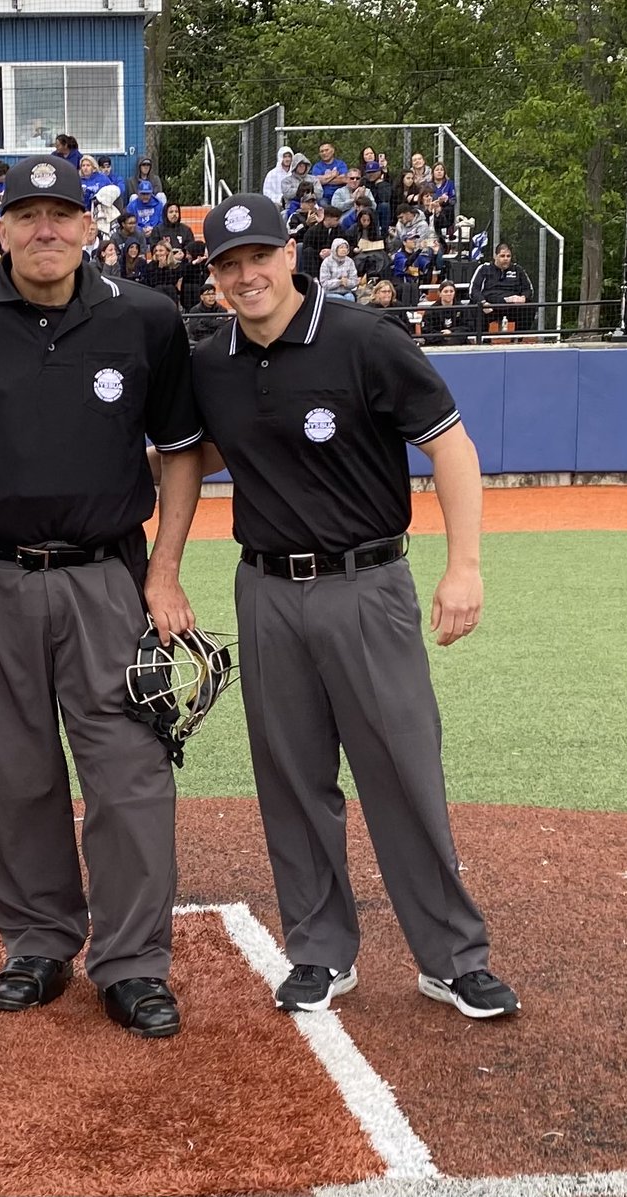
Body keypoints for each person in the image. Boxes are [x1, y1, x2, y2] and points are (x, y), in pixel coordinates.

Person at [190, 193, 519, 1021]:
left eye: (257, 257)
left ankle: (452, 956)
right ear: (214, 277)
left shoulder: (363, 338)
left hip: (366, 584)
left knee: (402, 772)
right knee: (293, 779)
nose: (245, 275)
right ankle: (320, 950)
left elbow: (451, 444)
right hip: (264, 588)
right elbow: (189, 454)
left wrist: (465, 566)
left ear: (289, 253)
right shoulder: (211, 360)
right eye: (228, 265)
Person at [0, 154, 204, 1040]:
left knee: (131, 776)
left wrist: (166, 569)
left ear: (88, 227)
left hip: (107, 578)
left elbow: (181, 448)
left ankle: (133, 961)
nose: (45, 229)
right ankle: (38, 940)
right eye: (26, 214)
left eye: (61, 214)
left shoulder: (142, 318)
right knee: (8, 775)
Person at [469, 242, 534, 332]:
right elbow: (473, 290)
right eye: (502, 256)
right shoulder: (484, 269)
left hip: (512, 306)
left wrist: (523, 297)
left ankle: (519, 338)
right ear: (495, 256)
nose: (506, 259)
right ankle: (483, 340)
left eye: (508, 256)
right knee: (476, 308)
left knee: (529, 308)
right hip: (491, 305)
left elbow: (528, 289)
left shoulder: (518, 269)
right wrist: (483, 302)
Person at [422, 280, 479, 345]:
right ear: (440, 293)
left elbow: (468, 326)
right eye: (445, 291)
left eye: (451, 291)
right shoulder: (431, 311)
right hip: (437, 342)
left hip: (458, 342)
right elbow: (427, 330)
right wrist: (442, 335)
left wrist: (451, 332)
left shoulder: (462, 308)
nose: (449, 294)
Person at [185, 281, 230, 345]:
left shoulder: (222, 310)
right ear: (202, 297)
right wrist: (214, 324)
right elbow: (195, 329)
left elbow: (222, 326)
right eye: (208, 294)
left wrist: (205, 322)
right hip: (200, 341)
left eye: (213, 294)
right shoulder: (195, 310)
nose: (211, 297)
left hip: (217, 340)